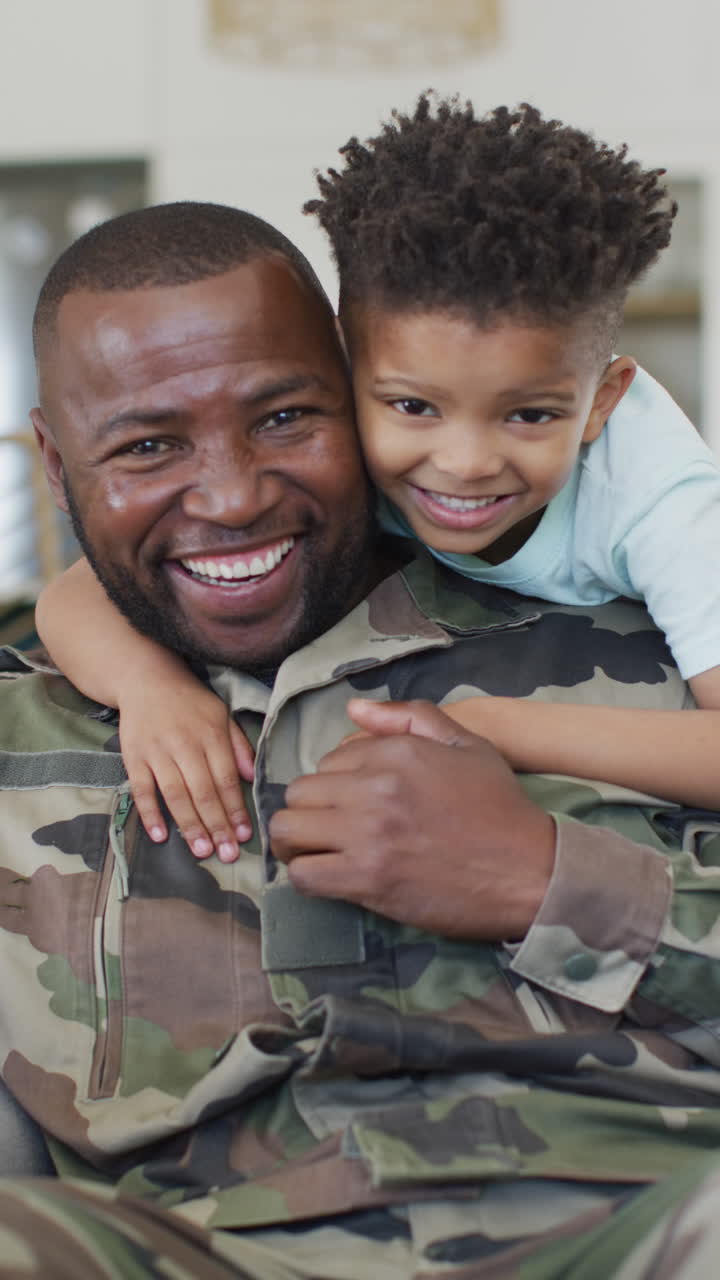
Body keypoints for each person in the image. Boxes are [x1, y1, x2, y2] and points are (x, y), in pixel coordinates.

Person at [3, 199, 720, 1278]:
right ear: (59, 472)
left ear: (359, 395)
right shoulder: (27, 731)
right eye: (149, 444)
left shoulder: (652, 650)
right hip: (193, 1250)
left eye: (287, 418)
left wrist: (543, 879)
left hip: (627, 1226)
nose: (235, 496)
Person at [35, 96, 720, 867]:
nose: (463, 462)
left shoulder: (667, 510)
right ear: (347, 368)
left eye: (528, 416)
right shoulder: (348, 441)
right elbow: (73, 592)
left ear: (602, 402)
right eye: (414, 405)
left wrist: (492, 726)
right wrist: (149, 689)